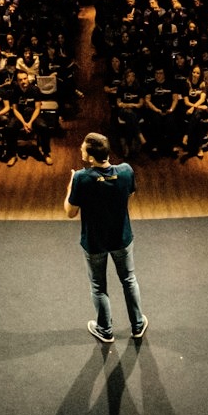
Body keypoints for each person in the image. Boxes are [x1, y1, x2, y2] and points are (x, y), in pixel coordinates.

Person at [64, 131, 148, 344]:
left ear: (91, 157)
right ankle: (138, 325)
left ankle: (105, 330)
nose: (80, 149)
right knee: (129, 280)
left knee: (98, 286)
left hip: (94, 243)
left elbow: (70, 212)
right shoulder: (127, 171)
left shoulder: (80, 178)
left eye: (83, 148)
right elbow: (129, 196)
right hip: (122, 238)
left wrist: (69, 189)